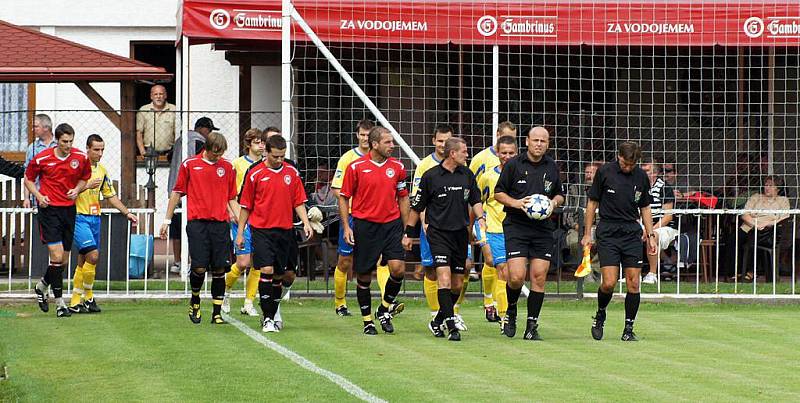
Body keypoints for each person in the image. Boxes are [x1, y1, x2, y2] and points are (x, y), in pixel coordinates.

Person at [404, 137, 485, 341]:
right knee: (445, 279)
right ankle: (452, 327)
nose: (467, 155)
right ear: (453, 154)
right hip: (438, 234)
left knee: (457, 284)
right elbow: (417, 207)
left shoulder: (467, 175)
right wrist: (408, 233)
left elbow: (475, 199)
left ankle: (437, 320)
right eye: (464, 152)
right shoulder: (431, 176)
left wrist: (481, 218)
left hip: (460, 235)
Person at [159, 132, 238, 325]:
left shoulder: (227, 167)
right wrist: (166, 221)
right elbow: (176, 193)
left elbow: (231, 198)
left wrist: (241, 222)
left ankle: (217, 313)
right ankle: (195, 299)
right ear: (206, 148)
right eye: (214, 154)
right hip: (197, 224)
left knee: (220, 268)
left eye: (220, 154)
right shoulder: (190, 165)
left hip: (220, 224)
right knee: (199, 267)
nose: (217, 158)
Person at [236, 135, 313, 333]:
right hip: (261, 230)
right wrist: (240, 232)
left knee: (282, 275)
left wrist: (305, 223)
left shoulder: (291, 172)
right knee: (267, 270)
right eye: (276, 156)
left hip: (285, 230)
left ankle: (273, 310)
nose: (280, 160)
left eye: (282, 156)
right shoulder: (254, 173)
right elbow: (245, 205)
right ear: (266, 152)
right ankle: (268, 319)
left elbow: (298, 201)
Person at [494, 126, 564, 340]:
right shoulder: (513, 165)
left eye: (543, 141)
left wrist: (553, 203)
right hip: (517, 226)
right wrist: (515, 203)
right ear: (526, 141)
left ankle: (532, 326)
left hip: (542, 229)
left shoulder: (552, 166)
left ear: (548, 144)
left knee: (539, 277)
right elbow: (498, 193)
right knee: (515, 277)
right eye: (535, 140)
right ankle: (512, 310)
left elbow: (560, 194)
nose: (539, 144)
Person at [338, 126, 410, 335]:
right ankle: (367, 320)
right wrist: (346, 227)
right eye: (388, 142)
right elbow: (344, 197)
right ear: (375, 144)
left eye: (392, 142)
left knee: (398, 269)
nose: (392, 146)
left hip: (391, 225)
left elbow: (403, 197)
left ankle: (384, 309)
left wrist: (406, 230)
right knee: (364, 276)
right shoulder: (356, 167)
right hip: (365, 225)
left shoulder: (397, 167)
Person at [583, 142, 657, 342]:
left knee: (634, 282)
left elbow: (645, 207)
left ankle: (628, 328)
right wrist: (587, 232)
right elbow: (592, 203)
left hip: (631, 232)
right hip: (608, 230)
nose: (627, 168)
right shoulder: (605, 172)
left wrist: (650, 235)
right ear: (619, 157)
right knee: (609, 282)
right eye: (625, 163)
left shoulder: (641, 177)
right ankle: (600, 313)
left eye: (631, 165)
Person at [24, 123, 91, 318]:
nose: (68, 145)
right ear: (57, 140)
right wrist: (38, 195)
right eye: (64, 142)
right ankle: (61, 303)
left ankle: (42, 285)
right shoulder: (42, 158)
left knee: (63, 261)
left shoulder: (80, 158)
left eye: (70, 141)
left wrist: (77, 190)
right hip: (49, 210)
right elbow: (28, 179)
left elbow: (84, 178)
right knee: (57, 256)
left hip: (69, 210)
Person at [68, 134, 138, 313]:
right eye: (96, 150)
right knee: (93, 256)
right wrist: (87, 185)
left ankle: (77, 301)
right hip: (79, 216)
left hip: (95, 218)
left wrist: (127, 213)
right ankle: (88, 295)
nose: (100, 153)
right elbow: (69, 192)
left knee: (84, 259)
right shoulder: (77, 168)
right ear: (88, 149)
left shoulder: (102, 170)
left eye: (102, 150)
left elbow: (110, 196)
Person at [412, 124, 469, 330]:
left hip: (460, 230)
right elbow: (419, 199)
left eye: (447, 140)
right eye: (440, 140)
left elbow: (472, 198)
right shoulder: (425, 167)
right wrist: (424, 223)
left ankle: (449, 313)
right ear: (433, 142)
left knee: (461, 273)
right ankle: (439, 313)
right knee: (433, 271)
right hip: (435, 228)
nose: (443, 144)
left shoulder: (465, 172)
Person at [470, 121, 517, 322]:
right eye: (503, 152)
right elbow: (474, 197)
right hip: (490, 226)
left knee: (509, 272)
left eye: (511, 152)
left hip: (513, 229)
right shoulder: (485, 170)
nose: (507, 156)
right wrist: (471, 224)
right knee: (496, 264)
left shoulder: (521, 172)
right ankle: (495, 307)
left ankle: (495, 304)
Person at [330, 119, 373, 316]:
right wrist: (356, 200)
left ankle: (384, 303)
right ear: (357, 135)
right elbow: (336, 189)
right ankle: (340, 303)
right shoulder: (348, 158)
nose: (365, 138)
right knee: (345, 260)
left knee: (377, 260)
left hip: (374, 217)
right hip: (352, 216)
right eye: (362, 135)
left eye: (368, 135)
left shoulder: (379, 158)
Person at [166, 116, 218, 276]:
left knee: (176, 228)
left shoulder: (180, 140)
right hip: (192, 192)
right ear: (203, 128)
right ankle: (190, 262)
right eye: (209, 131)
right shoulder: (200, 142)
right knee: (192, 229)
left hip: (174, 188)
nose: (209, 135)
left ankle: (177, 261)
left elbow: (169, 158)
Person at [221, 128, 265, 317]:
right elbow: (227, 191)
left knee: (258, 262)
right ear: (248, 144)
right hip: (241, 217)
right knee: (243, 261)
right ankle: (225, 291)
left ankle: (249, 302)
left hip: (261, 218)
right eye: (257, 142)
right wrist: (231, 211)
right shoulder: (237, 164)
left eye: (263, 142)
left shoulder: (266, 165)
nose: (261, 145)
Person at [734, 176, 790, 282]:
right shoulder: (756, 197)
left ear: (777, 188)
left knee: (754, 240)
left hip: (769, 229)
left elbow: (785, 217)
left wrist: (769, 223)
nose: (767, 187)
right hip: (750, 226)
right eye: (766, 185)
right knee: (734, 239)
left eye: (771, 185)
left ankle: (749, 272)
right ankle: (736, 272)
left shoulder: (783, 200)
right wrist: (756, 224)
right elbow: (744, 214)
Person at [641, 160, 679, 285]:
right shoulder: (638, 187)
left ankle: (652, 273)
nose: (642, 173)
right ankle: (630, 272)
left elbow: (668, 217)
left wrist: (649, 230)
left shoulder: (665, 188)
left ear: (655, 173)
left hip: (663, 226)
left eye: (646, 171)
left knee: (653, 236)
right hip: (642, 224)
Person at [565, 162, 602, 282]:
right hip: (577, 227)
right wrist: (577, 226)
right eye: (587, 172)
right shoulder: (574, 189)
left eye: (592, 173)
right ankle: (585, 271)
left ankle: (594, 270)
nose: (589, 176)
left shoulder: (603, 189)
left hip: (599, 227)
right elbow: (567, 215)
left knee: (607, 242)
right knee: (575, 241)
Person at [23, 114, 57, 208]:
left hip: (59, 199)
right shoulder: (32, 148)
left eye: (36, 126)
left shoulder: (59, 145)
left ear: (46, 127)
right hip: (38, 199)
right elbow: (27, 174)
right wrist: (26, 197)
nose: (33, 129)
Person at [136, 84, 176, 157]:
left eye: (161, 94)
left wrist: (176, 151)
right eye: (155, 94)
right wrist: (142, 152)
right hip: (149, 153)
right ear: (151, 96)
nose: (158, 96)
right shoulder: (144, 110)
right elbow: (139, 133)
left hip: (169, 153)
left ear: (165, 96)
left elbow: (178, 133)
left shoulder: (174, 110)